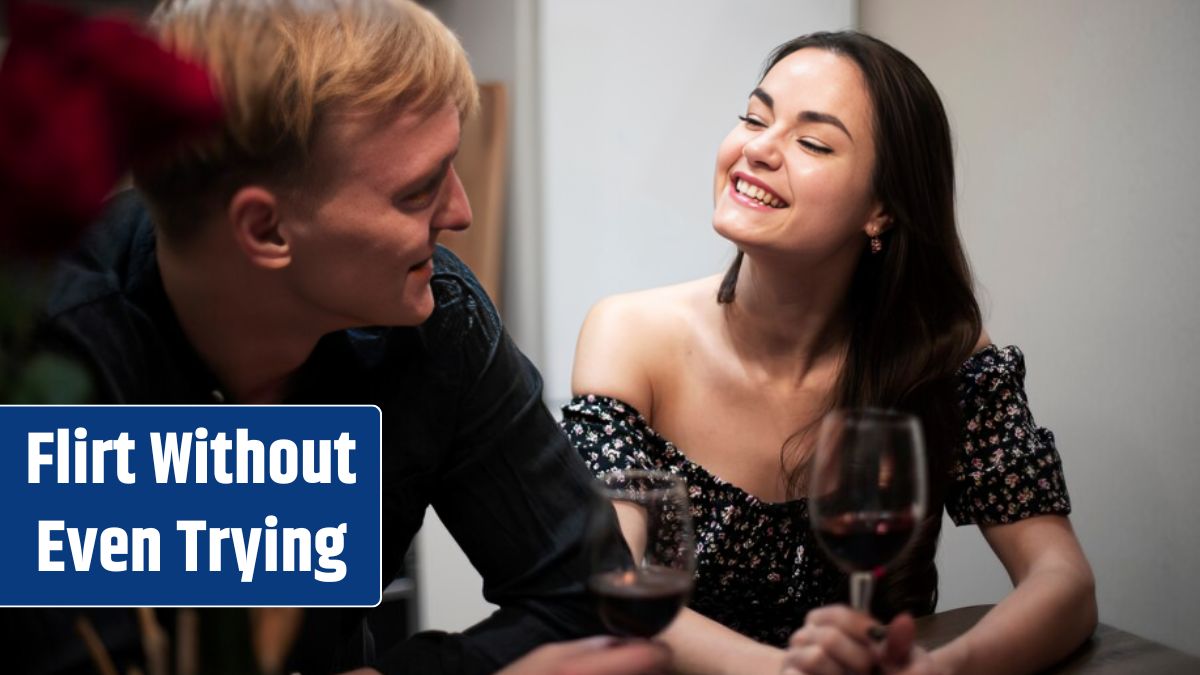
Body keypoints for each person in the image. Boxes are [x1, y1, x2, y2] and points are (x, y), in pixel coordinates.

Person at [29, 0, 661, 673]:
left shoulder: (434, 317)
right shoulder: (53, 362)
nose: (462, 211)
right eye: (418, 192)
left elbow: (590, 597)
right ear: (267, 230)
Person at [563, 31, 1096, 675]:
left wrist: (949, 668)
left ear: (881, 209)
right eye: (755, 118)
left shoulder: (944, 357)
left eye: (811, 142)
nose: (757, 148)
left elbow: (1063, 581)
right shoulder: (630, 335)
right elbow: (608, 583)